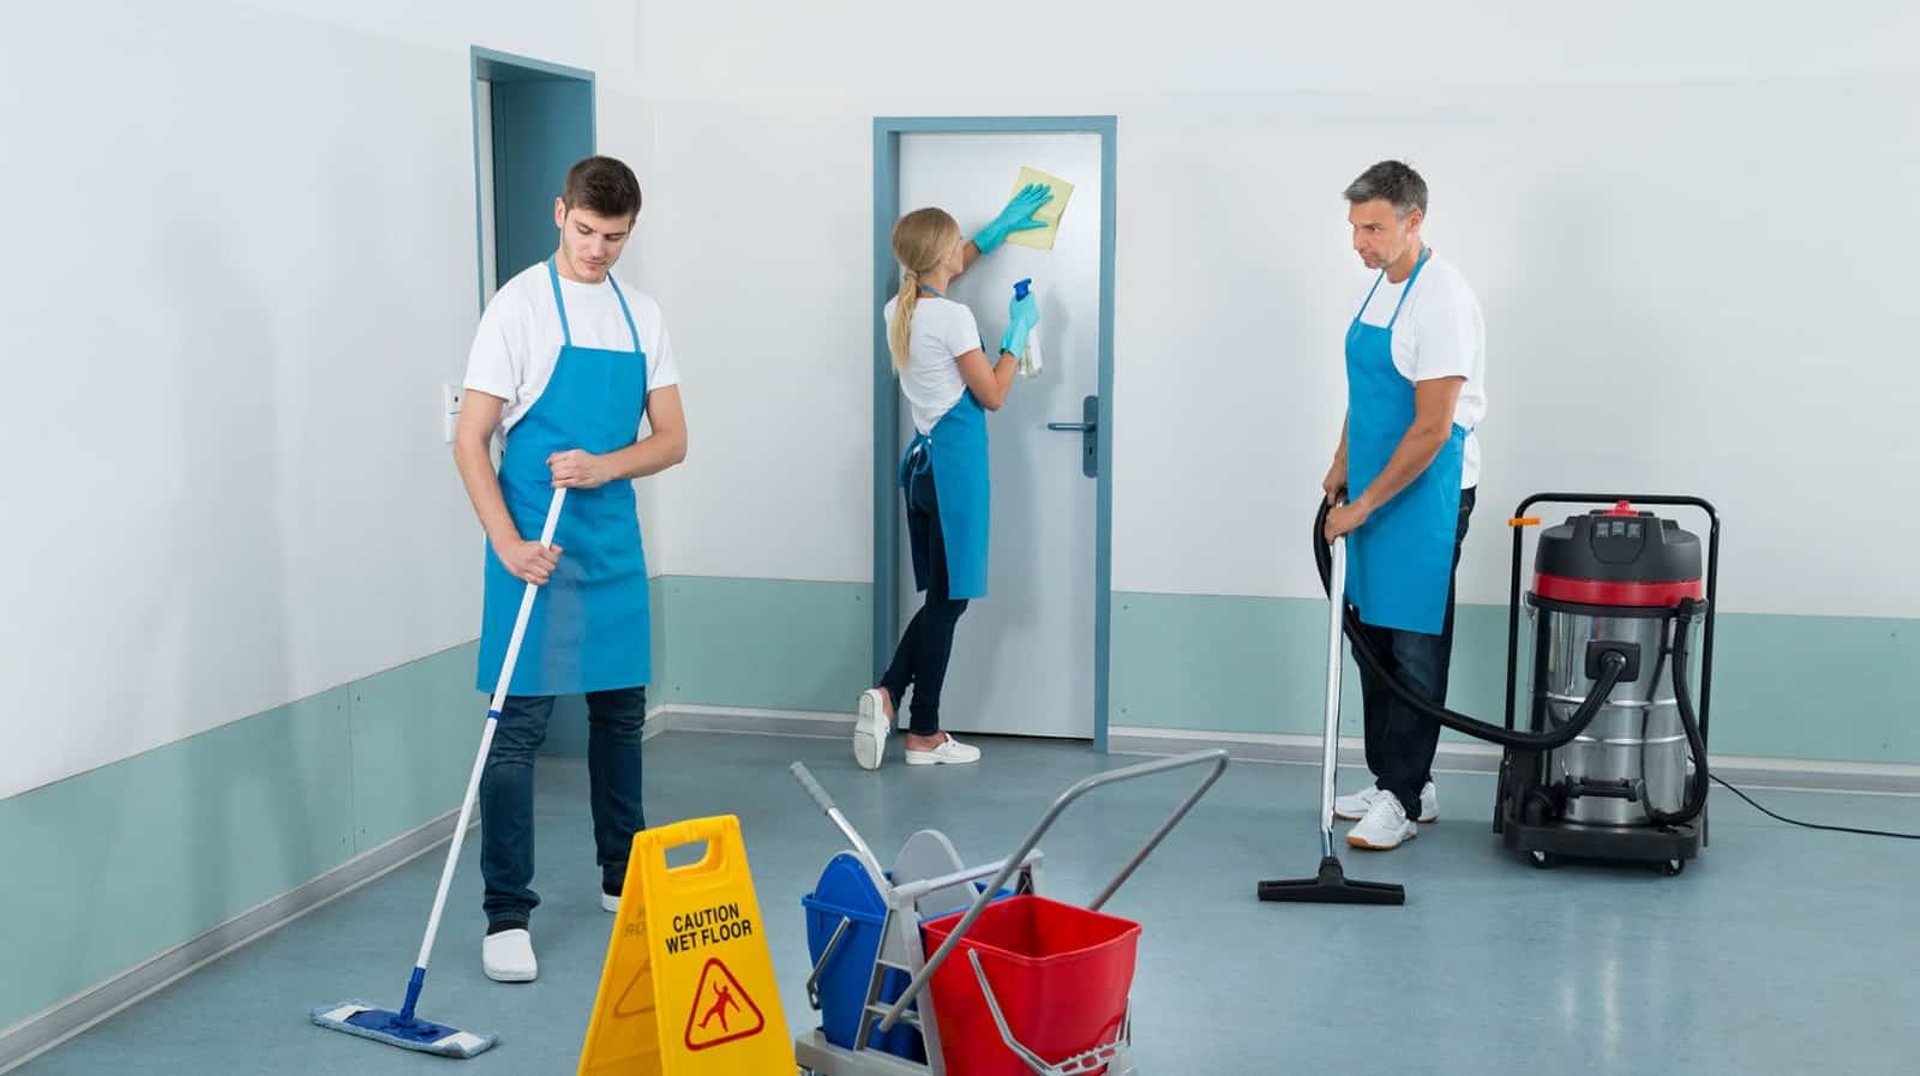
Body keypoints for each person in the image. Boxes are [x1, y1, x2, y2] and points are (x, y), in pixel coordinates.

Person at [452, 155, 687, 981]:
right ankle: (505, 913)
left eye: (615, 238)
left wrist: (605, 466)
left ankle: (624, 879)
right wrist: (509, 545)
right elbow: (469, 439)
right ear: (560, 213)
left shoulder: (641, 315)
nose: (597, 251)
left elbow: (672, 439)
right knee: (515, 734)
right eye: (586, 231)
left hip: (612, 548)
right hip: (533, 551)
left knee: (620, 719)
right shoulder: (517, 307)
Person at [851, 185, 1051, 770]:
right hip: (955, 470)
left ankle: (905, 710)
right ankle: (915, 721)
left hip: (922, 468)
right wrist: (1016, 337)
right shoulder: (952, 317)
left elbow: (956, 262)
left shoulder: (902, 308)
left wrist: (1001, 228)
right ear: (939, 256)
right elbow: (991, 395)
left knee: (944, 597)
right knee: (950, 598)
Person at [1322, 160, 1487, 851]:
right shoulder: (1383, 290)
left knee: (1414, 645)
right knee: (1374, 644)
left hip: (1424, 495)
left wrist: (1363, 508)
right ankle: (1397, 780)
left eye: (1373, 227)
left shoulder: (1440, 299)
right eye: (1355, 227)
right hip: (1374, 487)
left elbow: (1430, 428)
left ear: (1413, 220)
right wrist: (1339, 466)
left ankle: (1403, 791)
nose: (1358, 242)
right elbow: (1370, 397)